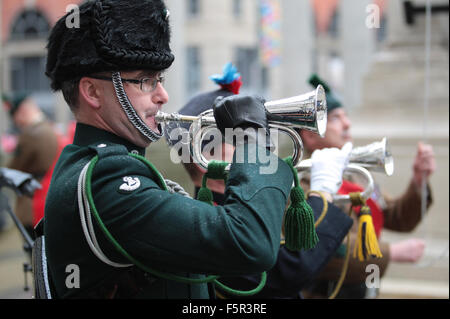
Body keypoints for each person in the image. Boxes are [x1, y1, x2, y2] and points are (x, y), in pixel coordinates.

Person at [43, 0, 354, 299]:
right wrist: (251, 140)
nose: (163, 95)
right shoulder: (107, 178)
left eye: (160, 79)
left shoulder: (112, 168)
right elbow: (250, 243)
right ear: (92, 91)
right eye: (145, 81)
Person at [164, 63, 355, 299]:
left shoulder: (250, 205)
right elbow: (287, 270)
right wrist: (323, 193)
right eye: (244, 142)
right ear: (205, 157)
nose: (262, 150)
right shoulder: (203, 221)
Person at [299, 74, 435, 299]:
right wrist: (391, 253)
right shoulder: (301, 184)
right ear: (310, 137)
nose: (347, 124)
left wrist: (419, 181)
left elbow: (396, 216)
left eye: (346, 116)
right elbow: (320, 246)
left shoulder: (355, 178)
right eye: (335, 118)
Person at [1, 92, 66, 238]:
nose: (16, 122)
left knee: (35, 254)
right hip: (51, 196)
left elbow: (14, 169)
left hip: (33, 202)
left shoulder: (30, 134)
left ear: (21, 112)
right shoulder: (50, 128)